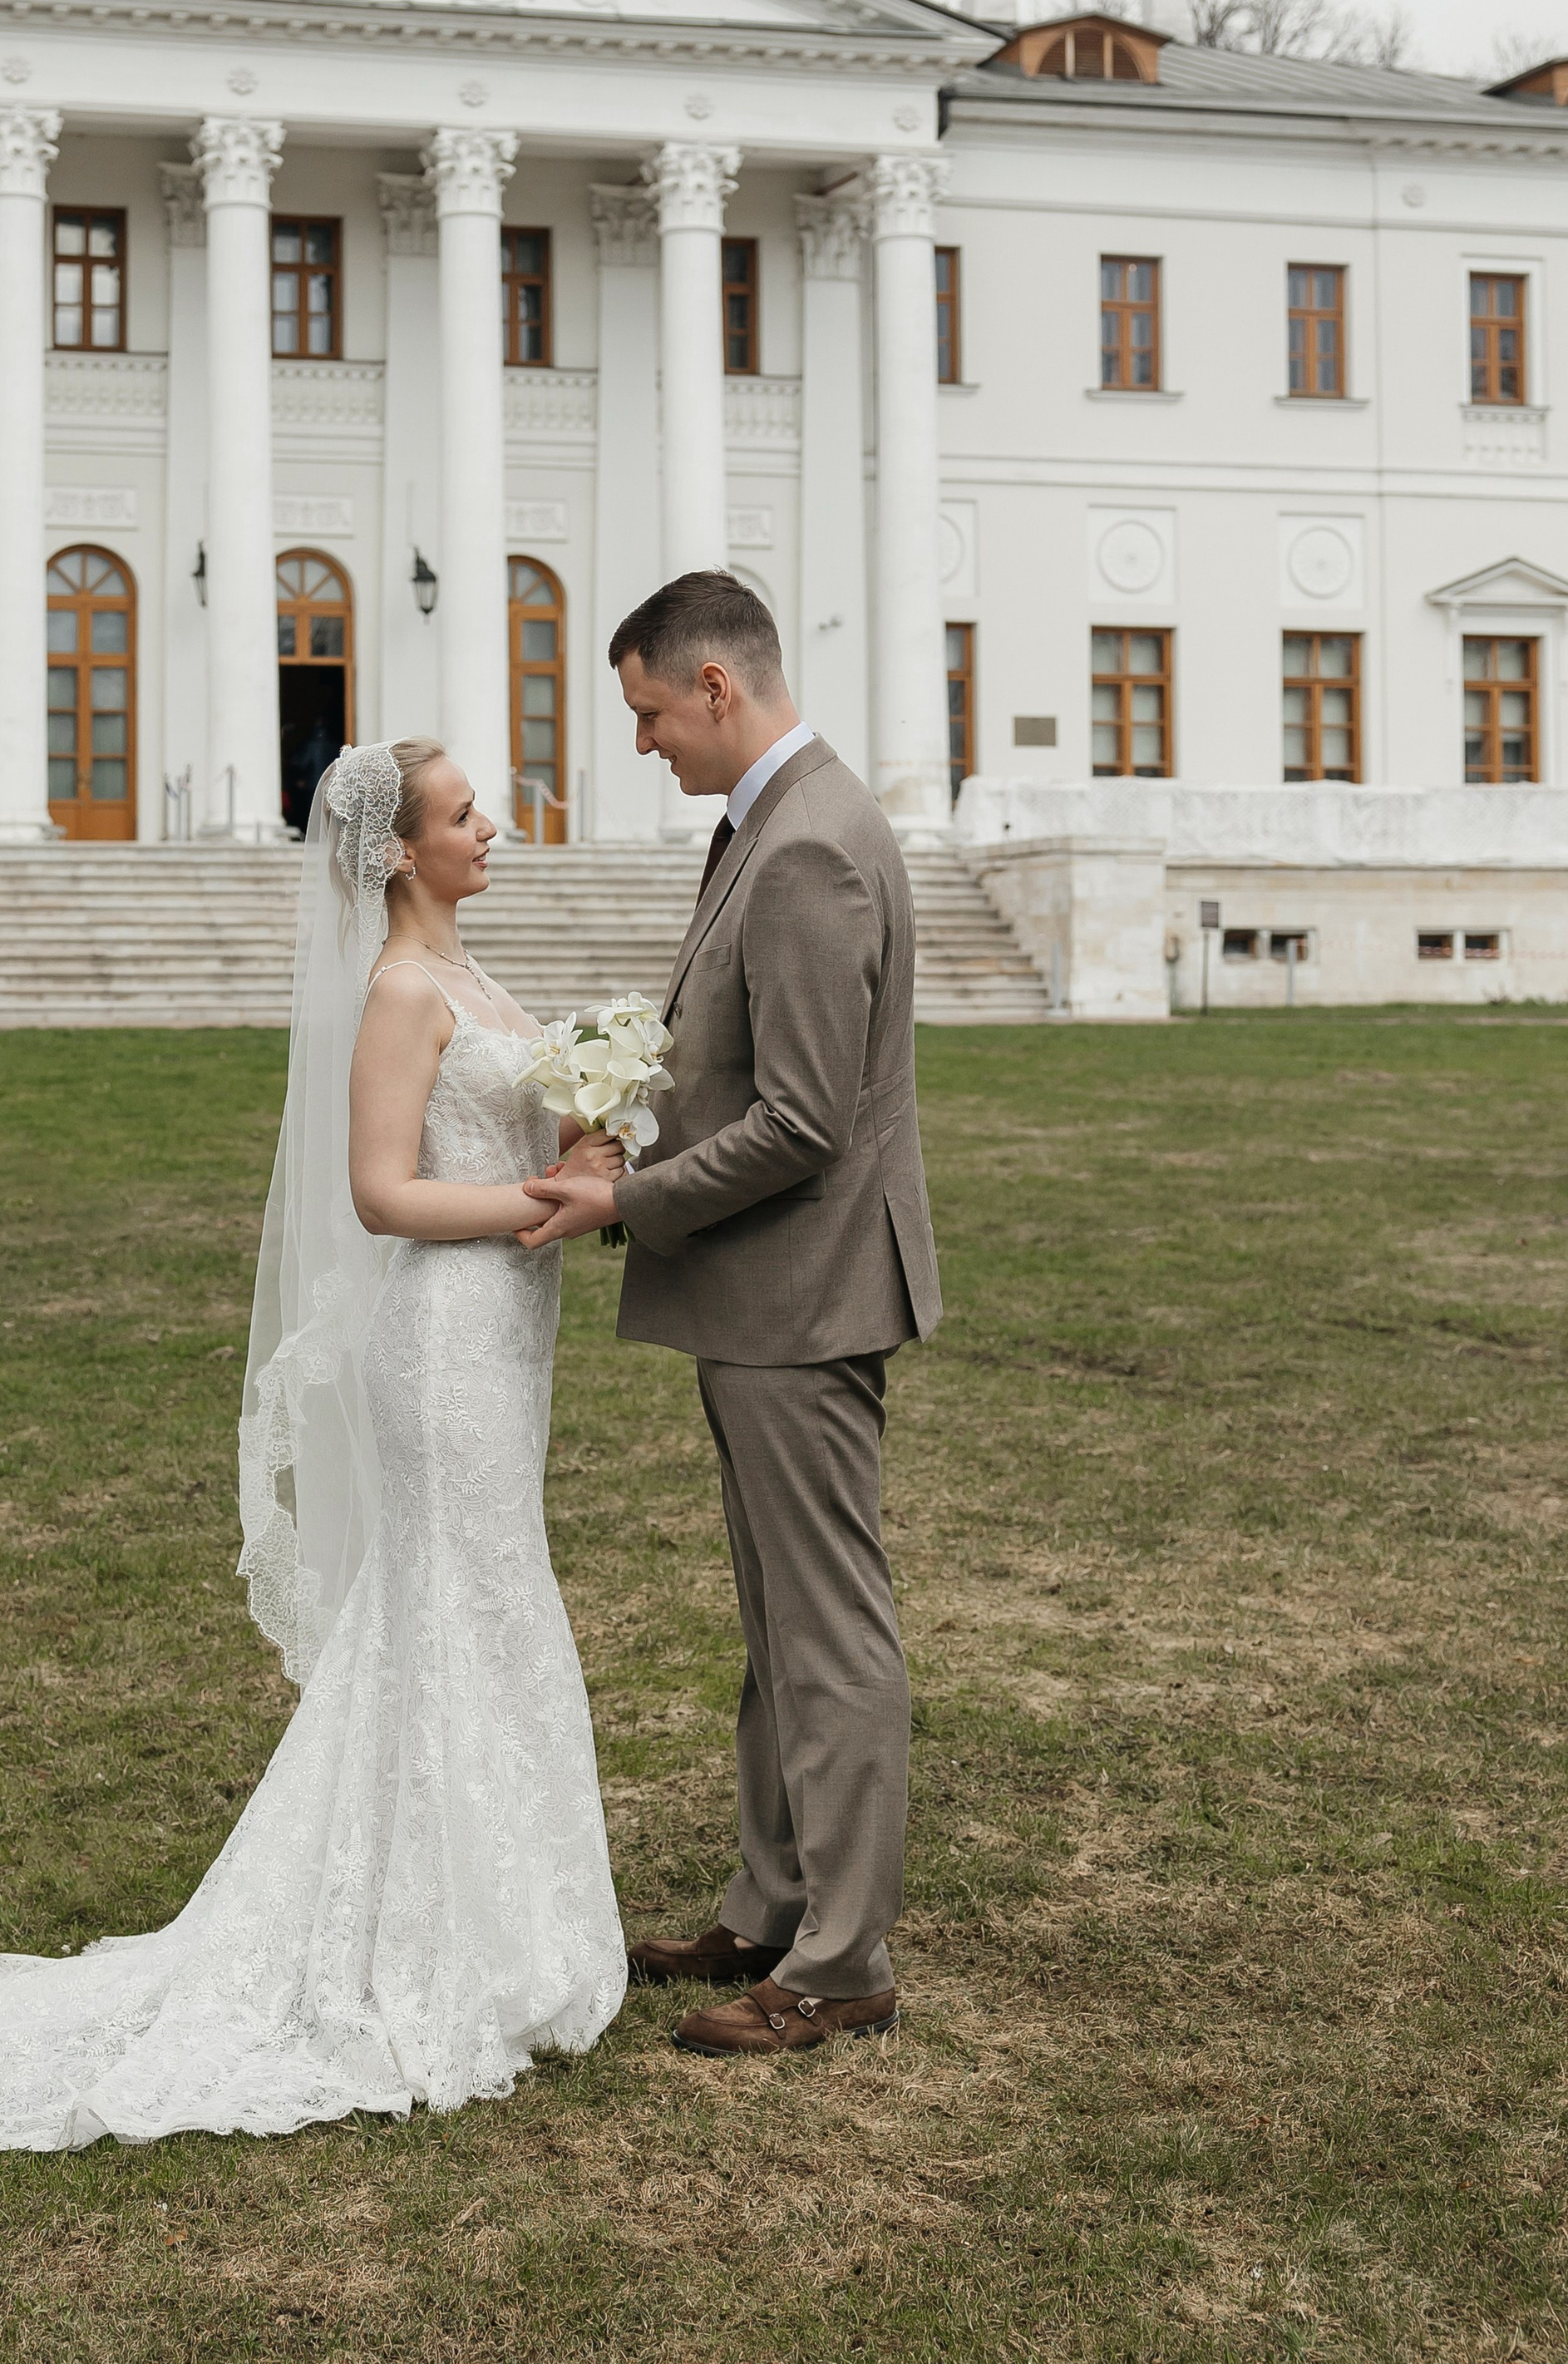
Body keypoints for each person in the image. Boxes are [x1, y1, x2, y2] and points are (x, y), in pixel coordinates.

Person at [0, 739, 627, 2147]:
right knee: (459, 1594)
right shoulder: (403, 990)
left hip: (505, 1331)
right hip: (441, 1336)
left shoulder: (479, 979)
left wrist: (594, 1135)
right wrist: (550, 1209)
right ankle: (439, 1940)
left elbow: (518, 1130)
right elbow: (379, 1195)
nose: (496, 827)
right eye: (466, 814)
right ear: (401, 853)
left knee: (484, 1590)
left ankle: (500, 1913)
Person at [520, 571, 941, 2059]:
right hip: (767, 1296)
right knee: (776, 1624)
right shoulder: (767, 823)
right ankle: (772, 1906)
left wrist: (626, 1203)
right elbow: (734, 1061)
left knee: (826, 1630)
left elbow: (807, 1121)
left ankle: (841, 1963)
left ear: (715, 686)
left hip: (807, 1297)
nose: (641, 742)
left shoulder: (815, 842)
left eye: (645, 711)